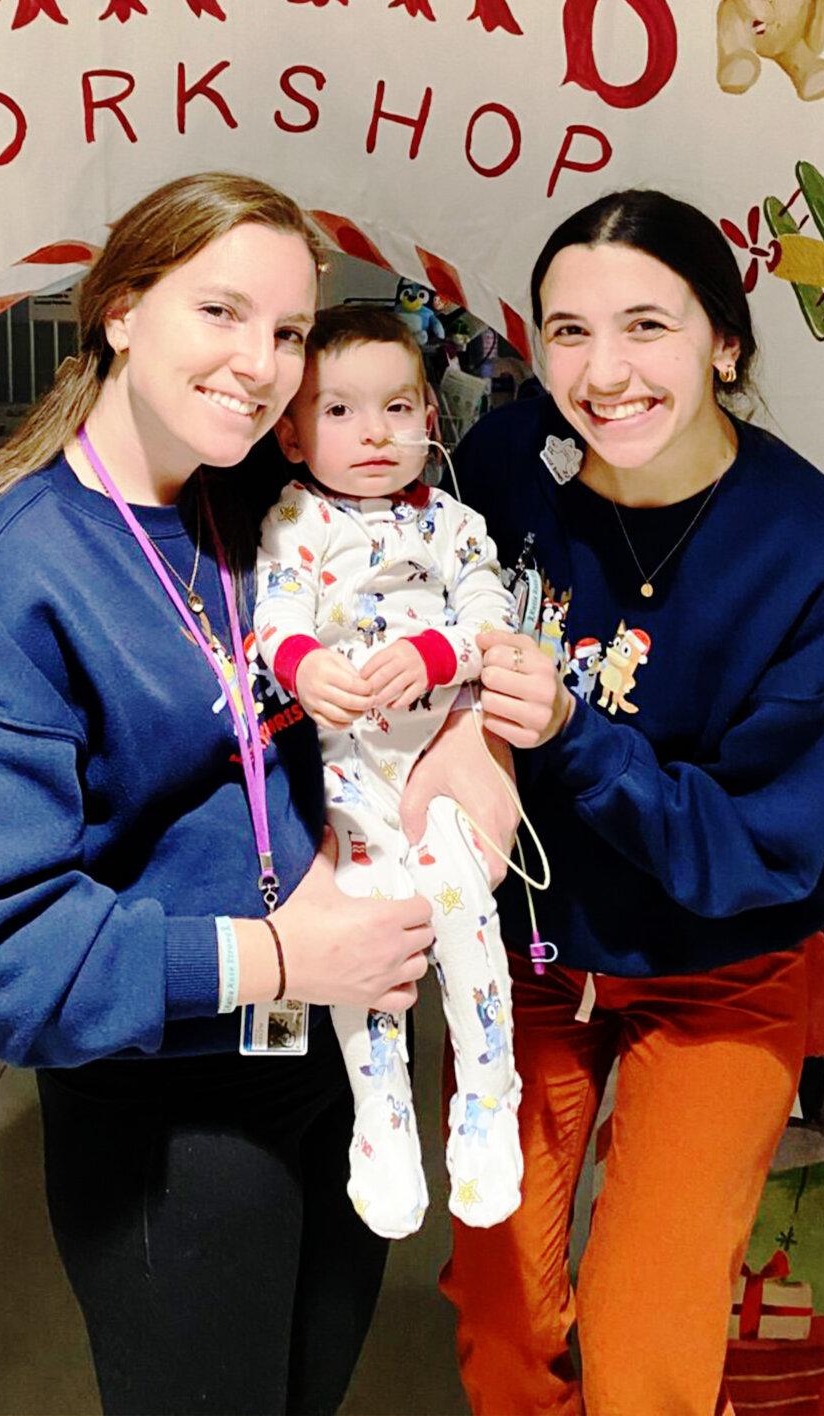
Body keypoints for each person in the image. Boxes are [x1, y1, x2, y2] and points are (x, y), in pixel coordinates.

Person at [0, 173, 438, 1416]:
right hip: (170, 1107)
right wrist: (275, 959)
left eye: (289, 333)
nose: (262, 365)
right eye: (221, 313)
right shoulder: (10, 574)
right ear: (122, 310)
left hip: (335, 1068)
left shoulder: (265, 518)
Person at [399, 189, 824, 1415]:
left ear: (725, 341)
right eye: (567, 332)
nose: (603, 373)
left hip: (720, 971)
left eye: (646, 328)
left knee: (647, 1336)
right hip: (529, 962)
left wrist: (573, 733)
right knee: (503, 1320)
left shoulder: (816, 551)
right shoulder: (511, 463)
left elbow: (765, 858)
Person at [255, 305, 524, 1241]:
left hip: (440, 758)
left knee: (461, 907)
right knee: (370, 934)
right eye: (340, 411)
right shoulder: (294, 519)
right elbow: (275, 619)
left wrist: (442, 652)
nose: (374, 432)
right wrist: (305, 667)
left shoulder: (453, 521)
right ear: (291, 432)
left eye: (397, 408)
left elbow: (496, 617)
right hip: (346, 772)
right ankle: (385, 1118)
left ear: (429, 420)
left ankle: (488, 1098)